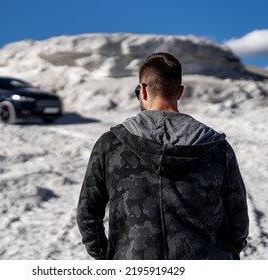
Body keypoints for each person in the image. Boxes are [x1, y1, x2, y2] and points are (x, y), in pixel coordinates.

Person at [76, 52, 249, 260]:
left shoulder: (111, 144)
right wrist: (226, 254)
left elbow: (87, 214)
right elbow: (238, 218)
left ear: (142, 91)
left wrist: (109, 257)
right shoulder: (217, 147)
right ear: (180, 92)